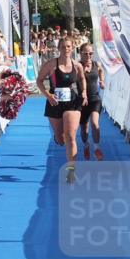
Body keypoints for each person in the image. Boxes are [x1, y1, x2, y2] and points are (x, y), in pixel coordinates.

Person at [36, 36, 87, 183]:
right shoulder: (51, 64)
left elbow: (82, 78)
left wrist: (83, 92)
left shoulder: (77, 65)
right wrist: (48, 95)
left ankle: (71, 171)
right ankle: (58, 137)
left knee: (71, 136)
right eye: (63, 47)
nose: (66, 49)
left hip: (72, 102)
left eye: (69, 46)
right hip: (54, 103)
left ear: (73, 48)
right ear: (59, 48)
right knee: (61, 138)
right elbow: (39, 81)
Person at [78, 43, 105, 161]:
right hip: (82, 101)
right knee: (84, 129)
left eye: (91, 53)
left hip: (95, 99)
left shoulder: (96, 64)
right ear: (81, 53)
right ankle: (86, 145)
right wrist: (81, 72)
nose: (89, 56)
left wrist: (102, 81)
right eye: (86, 53)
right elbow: (73, 78)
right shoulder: (77, 65)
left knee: (95, 123)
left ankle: (97, 148)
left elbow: (101, 71)